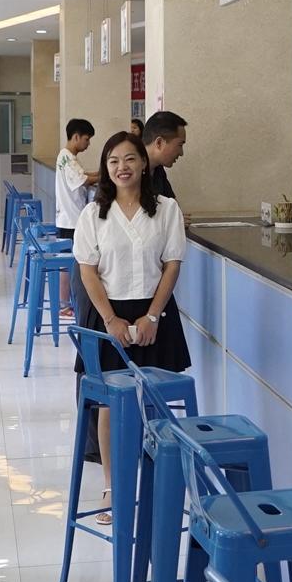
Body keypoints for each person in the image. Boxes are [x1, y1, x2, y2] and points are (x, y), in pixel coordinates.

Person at [72, 131, 189, 522]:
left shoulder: (166, 209)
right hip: (109, 315)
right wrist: (110, 319)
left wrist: (153, 316)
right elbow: (88, 271)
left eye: (129, 159)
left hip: (154, 313)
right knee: (111, 403)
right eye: (113, 161)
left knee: (155, 401)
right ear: (105, 168)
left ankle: (158, 487)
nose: (121, 167)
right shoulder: (94, 213)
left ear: (143, 163)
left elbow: (172, 264)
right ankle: (113, 486)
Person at [53, 117, 100, 319]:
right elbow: (83, 180)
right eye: (87, 139)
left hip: (68, 218)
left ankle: (66, 303)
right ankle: (64, 305)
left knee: (69, 264)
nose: (88, 144)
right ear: (76, 137)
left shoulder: (67, 157)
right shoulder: (67, 158)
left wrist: (98, 173)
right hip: (70, 221)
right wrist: (105, 175)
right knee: (69, 266)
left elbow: (83, 175)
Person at [142, 110, 188, 202]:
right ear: (159, 143)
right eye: (180, 145)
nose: (181, 153)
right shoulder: (130, 174)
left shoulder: (158, 169)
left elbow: (173, 205)